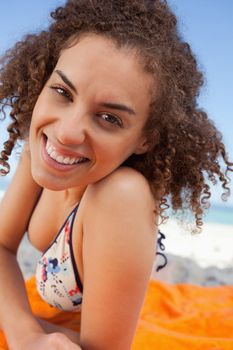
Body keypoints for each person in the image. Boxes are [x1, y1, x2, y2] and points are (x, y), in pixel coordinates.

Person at [0, 1, 232, 349]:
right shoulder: (41, 151)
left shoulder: (121, 196)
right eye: (63, 92)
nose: (67, 133)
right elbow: (2, 246)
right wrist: (24, 332)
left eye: (109, 118)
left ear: (145, 138)